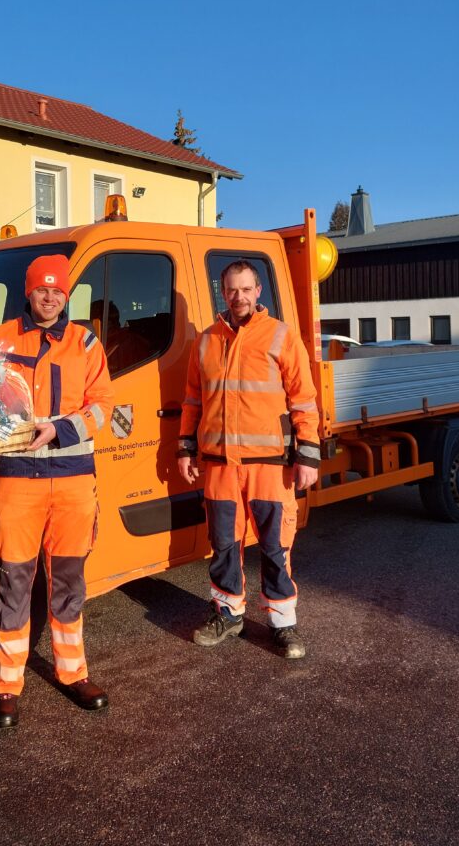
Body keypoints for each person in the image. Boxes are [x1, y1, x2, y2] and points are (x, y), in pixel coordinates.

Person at [0, 254, 114, 728]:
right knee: (13, 581)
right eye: (41, 289)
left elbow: (103, 406)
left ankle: (72, 672)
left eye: (57, 290)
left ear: (67, 295)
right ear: (29, 292)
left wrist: (60, 429)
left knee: (68, 582)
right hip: (17, 479)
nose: (49, 296)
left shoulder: (85, 341)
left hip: (73, 478)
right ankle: (5, 685)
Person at [177, 259, 320, 660]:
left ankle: (282, 623)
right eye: (231, 290)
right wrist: (186, 448)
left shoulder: (280, 336)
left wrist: (307, 456)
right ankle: (228, 613)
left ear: (259, 292)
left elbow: (304, 401)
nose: (238, 297)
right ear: (222, 293)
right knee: (223, 544)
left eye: (246, 289)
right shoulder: (206, 340)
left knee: (275, 546)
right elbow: (193, 400)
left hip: (270, 465)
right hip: (220, 464)